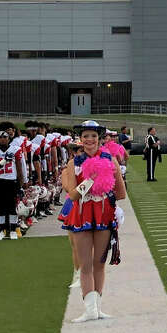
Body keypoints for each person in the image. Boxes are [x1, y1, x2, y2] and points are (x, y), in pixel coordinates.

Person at [59, 120, 127, 322]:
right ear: (81, 139)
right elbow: (71, 195)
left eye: (93, 136)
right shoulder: (74, 163)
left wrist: (114, 205)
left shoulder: (110, 159)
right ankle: (88, 311)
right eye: (86, 136)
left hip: (104, 214)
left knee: (99, 263)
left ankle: (96, 309)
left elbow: (121, 191)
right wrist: (90, 180)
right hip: (81, 214)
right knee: (85, 264)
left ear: (99, 139)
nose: (89, 140)